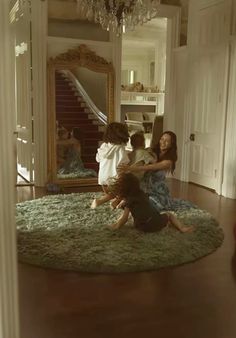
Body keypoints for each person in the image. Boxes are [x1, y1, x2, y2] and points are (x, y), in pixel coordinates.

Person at [120, 131, 196, 212]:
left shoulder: (169, 161)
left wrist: (131, 168)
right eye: (162, 139)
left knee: (147, 206)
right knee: (135, 199)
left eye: (167, 141)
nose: (163, 142)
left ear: (171, 144)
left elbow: (151, 167)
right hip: (144, 187)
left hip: (157, 190)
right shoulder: (151, 151)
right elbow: (138, 154)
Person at [108, 172, 193, 233]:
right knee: (169, 214)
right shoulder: (142, 194)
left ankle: (174, 226)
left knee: (130, 213)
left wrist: (116, 227)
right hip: (154, 222)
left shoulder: (128, 201)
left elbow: (124, 219)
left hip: (142, 227)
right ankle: (182, 228)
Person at [91, 122, 130, 209]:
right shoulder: (120, 149)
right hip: (113, 177)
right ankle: (99, 201)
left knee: (112, 193)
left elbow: (98, 159)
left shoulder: (104, 146)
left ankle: (115, 201)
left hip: (102, 177)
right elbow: (123, 164)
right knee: (122, 189)